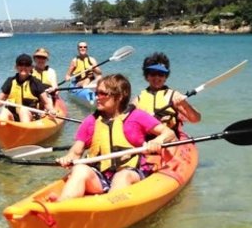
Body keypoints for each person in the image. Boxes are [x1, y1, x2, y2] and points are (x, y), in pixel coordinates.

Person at [52, 74, 176, 202]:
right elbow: (76, 152)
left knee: (122, 176)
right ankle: (61, 205)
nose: (97, 97)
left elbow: (169, 133)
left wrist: (157, 141)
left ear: (120, 96)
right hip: (100, 176)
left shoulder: (137, 116)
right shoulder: (91, 121)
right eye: (96, 93)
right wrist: (68, 158)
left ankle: (108, 208)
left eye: (102, 94)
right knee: (79, 169)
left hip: (130, 172)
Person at [132, 52, 201, 137]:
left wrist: (185, 104)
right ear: (147, 76)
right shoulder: (138, 100)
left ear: (165, 77)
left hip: (169, 143)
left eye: (161, 74)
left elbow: (196, 119)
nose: (157, 77)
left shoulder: (173, 96)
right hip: (147, 144)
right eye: (153, 73)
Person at [0, 54, 56, 123]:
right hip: (13, 115)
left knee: (23, 110)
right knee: (4, 112)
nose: (23, 67)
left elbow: (46, 103)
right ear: (16, 67)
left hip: (30, 116)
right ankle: (2, 130)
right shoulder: (10, 81)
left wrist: (51, 110)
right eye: (20, 65)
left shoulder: (36, 83)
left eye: (27, 65)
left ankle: (25, 131)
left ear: (31, 67)